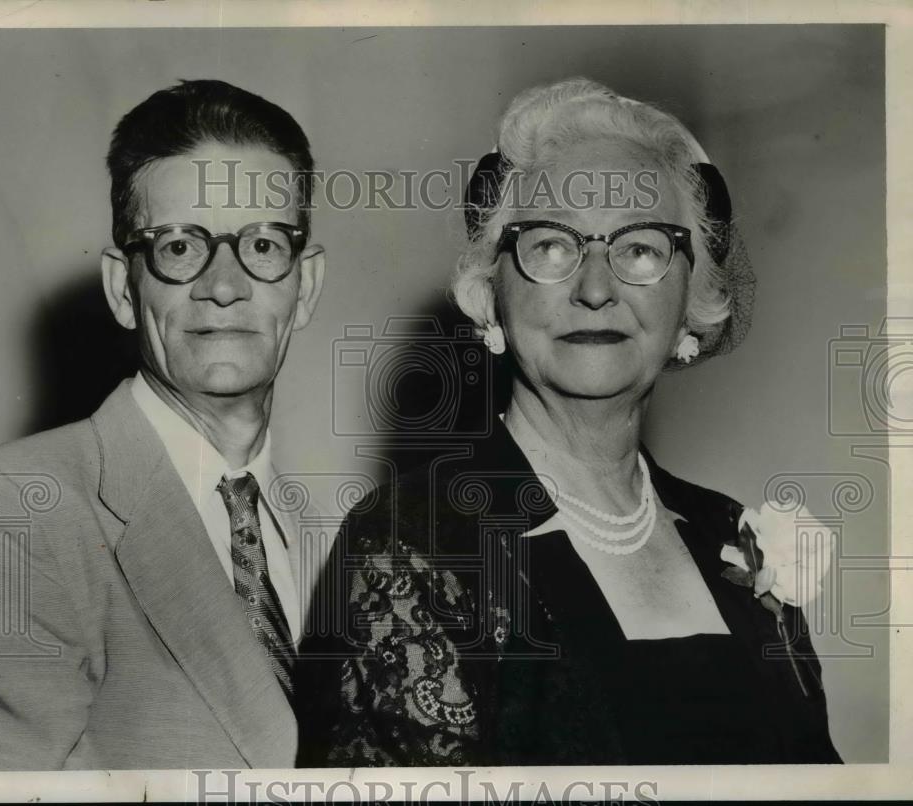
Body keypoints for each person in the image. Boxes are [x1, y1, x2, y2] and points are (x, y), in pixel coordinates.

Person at [298, 77, 841, 766]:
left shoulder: (735, 540)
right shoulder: (414, 543)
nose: (594, 287)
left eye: (640, 248)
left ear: (692, 300)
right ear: (492, 291)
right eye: (553, 246)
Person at [0, 79, 327, 769]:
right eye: (180, 247)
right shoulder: (9, 509)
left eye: (263, 245)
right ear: (124, 287)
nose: (225, 285)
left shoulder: (331, 537)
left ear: (306, 287)